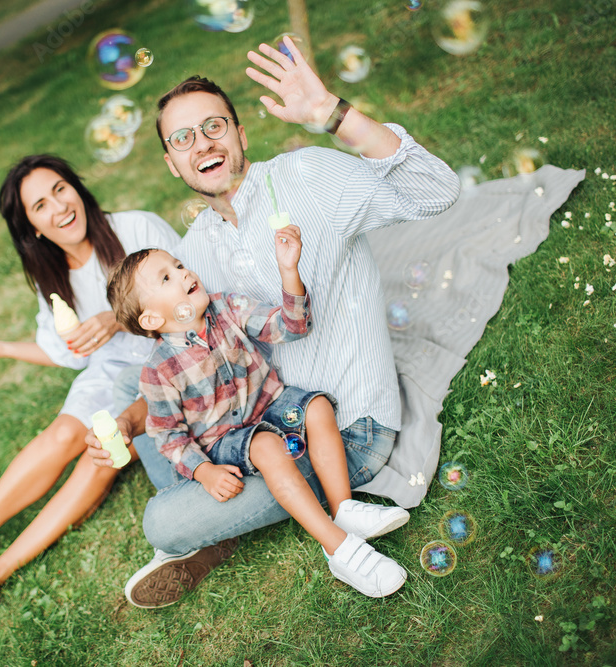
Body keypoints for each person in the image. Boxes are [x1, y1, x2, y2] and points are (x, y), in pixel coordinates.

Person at [87, 36, 460, 608]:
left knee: (162, 521)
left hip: (341, 430)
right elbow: (178, 371)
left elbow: (437, 191)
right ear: (171, 162)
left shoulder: (307, 177)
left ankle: (216, 536)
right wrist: (130, 421)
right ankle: (223, 526)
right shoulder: (195, 253)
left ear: (240, 133)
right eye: (183, 139)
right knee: (143, 413)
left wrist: (333, 115)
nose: (202, 144)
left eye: (214, 126)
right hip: (256, 429)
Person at [0, 155, 180, 638]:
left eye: (60, 189)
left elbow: (190, 291)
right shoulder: (53, 275)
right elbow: (69, 351)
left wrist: (117, 317)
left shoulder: (136, 228)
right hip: (108, 372)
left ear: (77, 187)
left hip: (168, 367)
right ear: (31, 226)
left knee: (100, 459)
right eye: (40, 204)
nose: (59, 206)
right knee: (60, 437)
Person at [107, 238, 409, 598]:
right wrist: (205, 471)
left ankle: (344, 508)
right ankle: (340, 550)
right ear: (153, 319)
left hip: (271, 406)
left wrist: (288, 271)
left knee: (317, 408)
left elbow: (290, 326)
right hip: (224, 442)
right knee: (266, 446)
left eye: (178, 264)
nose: (183, 272)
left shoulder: (227, 306)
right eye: (167, 278)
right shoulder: (158, 371)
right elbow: (169, 436)